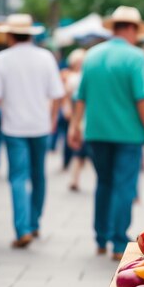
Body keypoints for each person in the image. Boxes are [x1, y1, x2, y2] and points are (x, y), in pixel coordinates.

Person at [68, 6, 144, 260]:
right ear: (131, 29)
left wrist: (74, 126)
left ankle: (100, 238)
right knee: (124, 187)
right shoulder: (136, 56)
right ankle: (119, 242)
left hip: (96, 132)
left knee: (104, 183)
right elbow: (142, 98)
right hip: (128, 135)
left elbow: (80, 96)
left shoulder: (92, 55)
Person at [0, 14, 65, 248]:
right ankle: (34, 223)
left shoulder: (1, 59)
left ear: (10, 34)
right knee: (38, 176)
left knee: (18, 178)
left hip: (13, 127)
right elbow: (57, 95)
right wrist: (52, 119)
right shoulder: (45, 57)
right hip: (40, 125)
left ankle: (22, 229)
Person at [63, 49, 88, 191]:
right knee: (79, 151)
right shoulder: (72, 77)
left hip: (85, 117)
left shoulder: (84, 76)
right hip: (78, 116)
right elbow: (68, 97)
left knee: (82, 151)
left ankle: (75, 179)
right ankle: (74, 179)